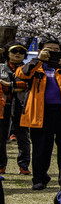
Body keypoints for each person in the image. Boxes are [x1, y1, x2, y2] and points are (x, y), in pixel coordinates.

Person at [17, 37, 61, 190]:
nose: (53, 52)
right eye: (49, 49)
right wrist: (38, 60)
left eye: (56, 49)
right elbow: (21, 74)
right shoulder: (36, 67)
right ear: (40, 50)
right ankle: (39, 178)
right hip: (40, 112)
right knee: (41, 147)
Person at [1, 43, 31, 176]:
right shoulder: (1, 67)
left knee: (23, 136)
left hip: (22, 105)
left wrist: (9, 85)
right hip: (3, 106)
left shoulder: (27, 68)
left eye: (21, 52)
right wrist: (17, 87)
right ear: (7, 53)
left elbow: (29, 84)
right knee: (1, 137)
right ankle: (1, 166)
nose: (18, 54)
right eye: (14, 51)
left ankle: (24, 166)